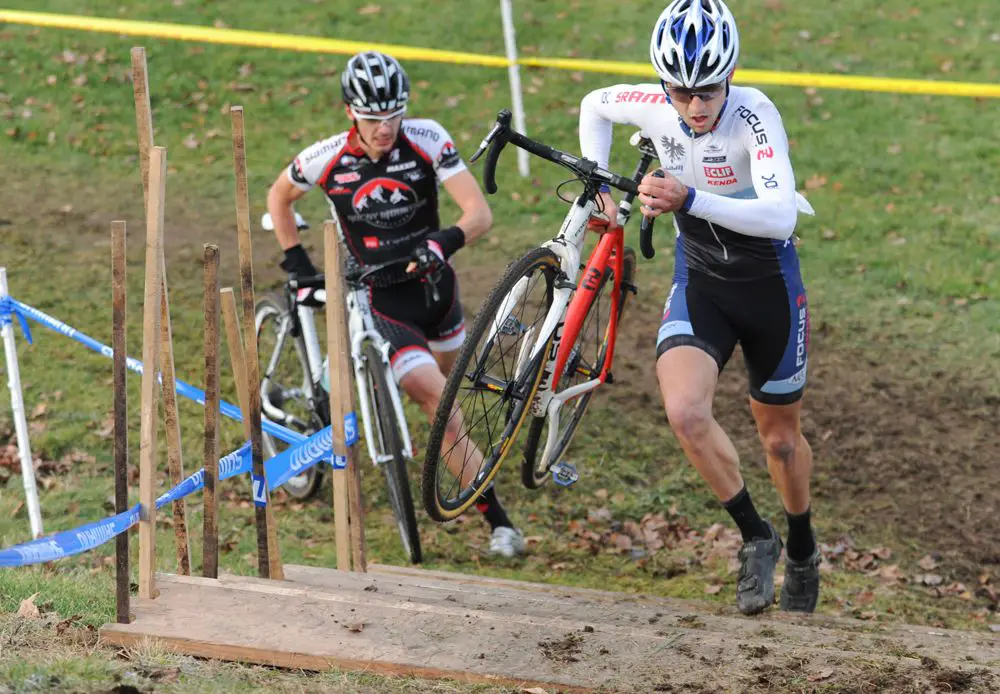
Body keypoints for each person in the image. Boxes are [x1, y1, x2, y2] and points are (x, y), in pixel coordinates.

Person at [578, 0, 820, 614]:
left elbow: (780, 214)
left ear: (730, 74)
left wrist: (690, 197)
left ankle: (800, 543)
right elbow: (593, 107)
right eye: (681, 91)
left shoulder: (755, 115)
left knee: (781, 443)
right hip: (702, 282)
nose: (694, 106)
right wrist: (599, 186)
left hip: (768, 286)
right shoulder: (655, 104)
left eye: (707, 89)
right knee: (685, 413)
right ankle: (755, 536)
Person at [266, 51, 525, 558]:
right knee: (440, 405)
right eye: (372, 118)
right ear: (349, 112)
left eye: (393, 115)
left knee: (451, 397)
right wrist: (294, 260)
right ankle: (498, 520)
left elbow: (479, 213)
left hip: (435, 288)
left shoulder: (427, 138)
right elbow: (279, 198)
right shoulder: (324, 158)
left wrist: (442, 242)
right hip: (380, 299)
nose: (384, 128)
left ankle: (462, 470)